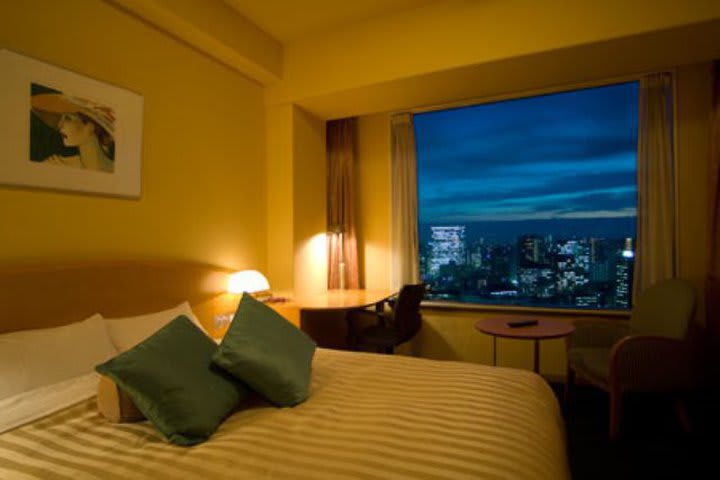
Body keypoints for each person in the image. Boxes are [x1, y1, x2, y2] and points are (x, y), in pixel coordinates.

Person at [31, 93, 115, 173]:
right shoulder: (55, 164)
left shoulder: (118, 170)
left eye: (68, 118)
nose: (60, 126)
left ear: (90, 127)